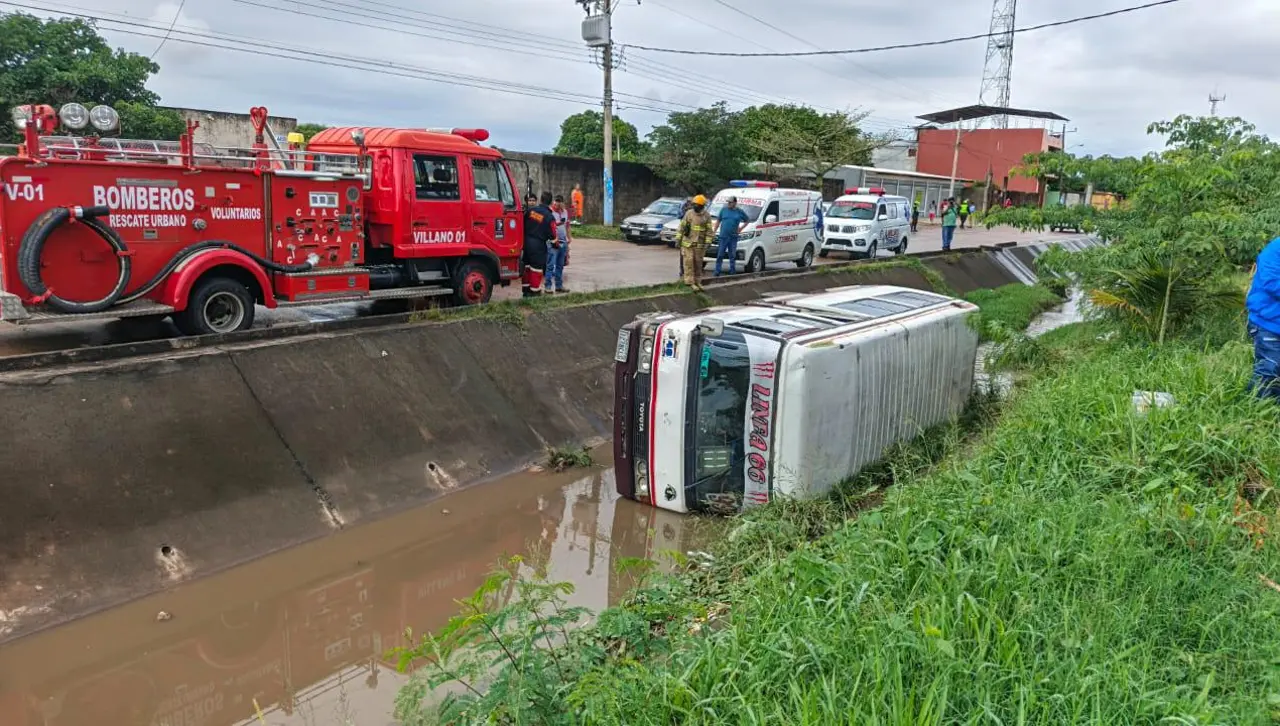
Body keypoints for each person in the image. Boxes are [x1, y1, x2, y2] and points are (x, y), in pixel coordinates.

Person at [1247, 237, 1280, 401]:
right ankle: (1254, 414)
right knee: (1269, 370)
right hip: (1268, 322)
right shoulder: (1275, 249)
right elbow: (1272, 283)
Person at [522, 192, 556, 297]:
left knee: (527, 266)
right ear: (550, 202)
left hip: (526, 242)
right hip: (538, 245)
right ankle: (535, 291)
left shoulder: (530, 211)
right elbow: (553, 234)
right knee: (536, 268)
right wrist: (556, 244)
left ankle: (526, 290)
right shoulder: (549, 216)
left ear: (540, 200)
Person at [677, 194, 712, 289]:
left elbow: (709, 230)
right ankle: (689, 282)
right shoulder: (689, 213)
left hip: (700, 244)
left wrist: (708, 241)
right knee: (689, 262)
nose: (694, 206)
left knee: (698, 263)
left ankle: (698, 281)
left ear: (701, 206)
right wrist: (678, 239)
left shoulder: (706, 216)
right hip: (687, 243)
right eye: (694, 204)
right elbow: (682, 227)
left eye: (696, 204)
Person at [713, 196, 750, 276]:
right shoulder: (724, 210)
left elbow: (747, 220)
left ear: (735, 203)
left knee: (732, 255)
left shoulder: (739, 211)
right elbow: (718, 220)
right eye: (728, 202)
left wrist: (740, 228)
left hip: (733, 237)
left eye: (730, 202)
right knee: (720, 254)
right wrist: (714, 231)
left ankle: (732, 271)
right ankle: (717, 271)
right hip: (723, 236)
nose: (728, 204)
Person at [545, 195, 572, 294]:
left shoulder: (565, 212)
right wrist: (558, 223)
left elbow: (568, 226)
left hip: (563, 241)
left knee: (560, 265)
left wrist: (569, 237)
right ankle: (548, 286)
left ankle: (559, 286)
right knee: (550, 265)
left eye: (559, 202)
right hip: (553, 242)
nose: (557, 203)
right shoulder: (550, 212)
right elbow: (549, 226)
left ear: (562, 203)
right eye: (555, 201)